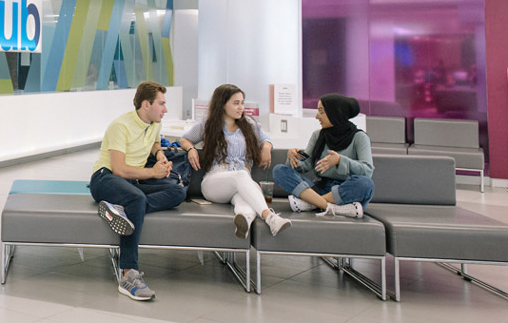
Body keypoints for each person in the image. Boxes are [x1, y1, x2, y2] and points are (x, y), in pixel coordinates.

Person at [90, 81, 186, 301]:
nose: (166, 109)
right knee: (136, 198)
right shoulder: (120, 126)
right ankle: (128, 274)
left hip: (134, 183)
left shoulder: (154, 123)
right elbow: (120, 169)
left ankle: (121, 210)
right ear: (146, 104)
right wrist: (153, 172)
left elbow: (153, 144)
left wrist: (160, 155)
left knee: (178, 191)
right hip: (105, 178)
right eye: (161, 104)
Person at [179, 84, 291, 239]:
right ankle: (271, 217)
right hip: (215, 182)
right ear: (223, 104)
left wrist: (266, 147)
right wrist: (191, 149)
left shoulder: (250, 125)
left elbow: (266, 139)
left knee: (244, 200)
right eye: (236, 103)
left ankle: (244, 221)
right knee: (242, 177)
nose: (241, 107)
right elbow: (184, 139)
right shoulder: (208, 125)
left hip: (241, 181)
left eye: (242, 103)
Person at [272, 93, 374, 218]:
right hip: (319, 188)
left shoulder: (360, 137)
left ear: (334, 113)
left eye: (321, 112)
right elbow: (305, 165)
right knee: (279, 170)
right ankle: (331, 207)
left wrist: (340, 160)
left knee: (366, 184)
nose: (316, 116)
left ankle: (312, 203)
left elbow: (367, 171)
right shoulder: (317, 135)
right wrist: (293, 157)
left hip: (345, 191)